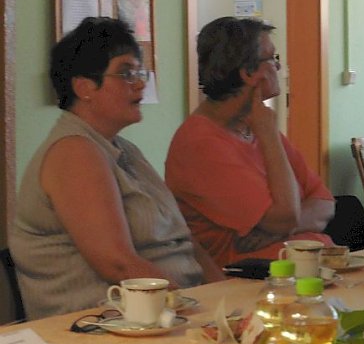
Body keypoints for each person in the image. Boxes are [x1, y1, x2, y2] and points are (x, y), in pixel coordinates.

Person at [10, 18, 223, 319]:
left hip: (167, 308)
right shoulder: (73, 151)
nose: (139, 84)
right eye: (125, 73)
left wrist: (224, 299)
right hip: (100, 322)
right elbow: (118, 264)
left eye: (139, 72)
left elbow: (187, 242)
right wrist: (193, 311)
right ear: (84, 87)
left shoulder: (124, 149)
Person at [166, 17, 334, 267]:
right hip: (247, 279)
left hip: (305, 266)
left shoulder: (254, 124)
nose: (278, 68)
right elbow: (284, 217)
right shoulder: (200, 143)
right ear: (248, 72)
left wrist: (273, 233)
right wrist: (268, 134)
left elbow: (324, 202)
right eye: (272, 59)